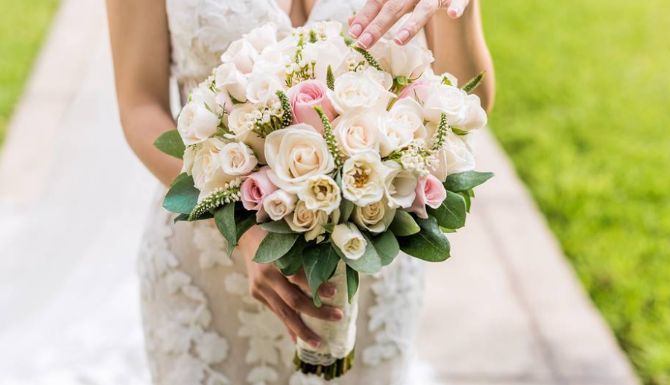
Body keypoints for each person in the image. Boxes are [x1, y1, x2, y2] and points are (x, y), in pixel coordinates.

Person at [106, 1, 494, 384]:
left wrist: (460, 7)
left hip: (369, 252)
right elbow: (140, 106)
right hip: (210, 267)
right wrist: (239, 229)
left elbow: (462, 100)